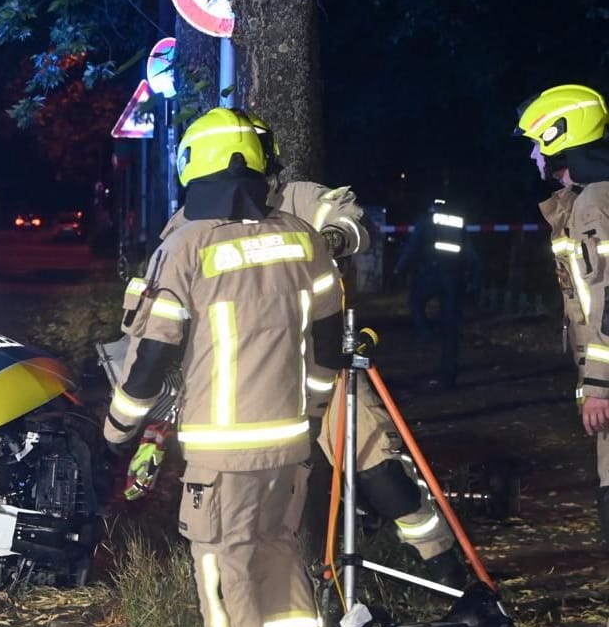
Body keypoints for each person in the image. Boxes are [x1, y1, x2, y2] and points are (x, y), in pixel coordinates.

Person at [112, 115, 465, 584]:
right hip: (234, 382)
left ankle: (442, 566)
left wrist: (326, 243)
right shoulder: (186, 224)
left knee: (370, 452)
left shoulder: (294, 200)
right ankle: (262, 586)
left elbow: (351, 223)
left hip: (314, 365)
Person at [105, 108, 345, 627]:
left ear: (196, 167)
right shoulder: (301, 238)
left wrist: (118, 428)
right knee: (280, 551)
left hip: (222, 450)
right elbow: (329, 339)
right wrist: (313, 410)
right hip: (291, 441)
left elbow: (152, 354)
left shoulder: (185, 247)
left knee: (223, 564)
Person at [517, 84, 609, 545]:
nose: (535, 154)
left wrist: (598, 385)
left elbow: (605, 298)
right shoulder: (588, 198)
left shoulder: (595, 203)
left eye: (539, 143)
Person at [391, 196, 472, 389]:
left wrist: (398, 270)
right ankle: (448, 376)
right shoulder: (458, 222)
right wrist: (471, 279)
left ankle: (426, 334)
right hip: (453, 278)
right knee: (450, 327)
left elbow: (412, 249)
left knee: (416, 302)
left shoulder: (426, 221)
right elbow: (470, 251)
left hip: (431, 274)